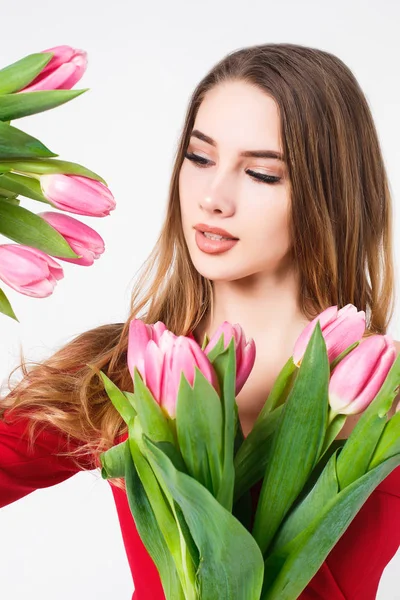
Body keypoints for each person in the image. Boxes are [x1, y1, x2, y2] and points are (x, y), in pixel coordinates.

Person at [1, 42, 399, 599]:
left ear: (330, 195)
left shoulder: (389, 395)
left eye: (261, 174)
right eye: (200, 158)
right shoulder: (125, 372)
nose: (213, 197)